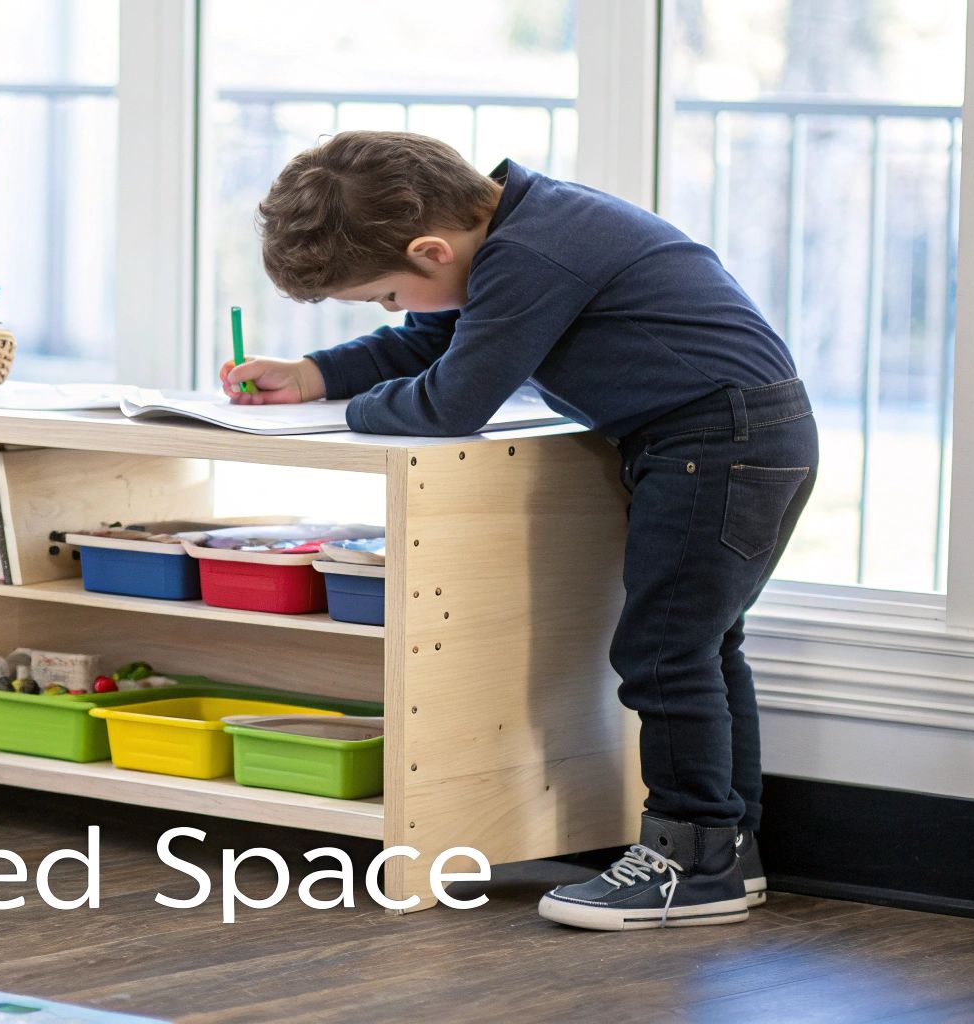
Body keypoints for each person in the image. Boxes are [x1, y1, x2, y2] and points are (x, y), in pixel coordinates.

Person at [227, 130, 819, 930]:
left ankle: (692, 858)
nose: (391, 312)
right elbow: (432, 337)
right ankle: (722, 851)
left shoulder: (534, 256)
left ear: (431, 250)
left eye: (385, 295)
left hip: (717, 446)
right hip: (733, 440)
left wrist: (348, 411)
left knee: (663, 651)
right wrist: (316, 375)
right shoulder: (519, 228)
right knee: (699, 646)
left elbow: (449, 403)